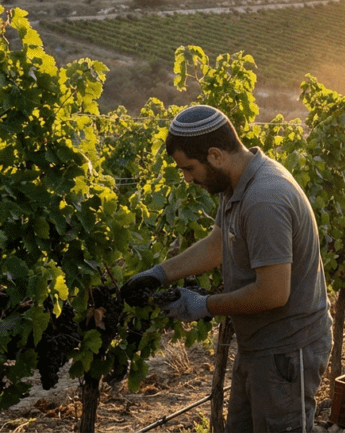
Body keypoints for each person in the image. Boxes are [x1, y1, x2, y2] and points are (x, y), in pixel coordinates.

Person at [122, 105, 332, 432]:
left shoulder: (265, 198)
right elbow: (216, 244)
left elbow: (274, 292)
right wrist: (159, 273)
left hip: (288, 348)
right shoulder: (236, 184)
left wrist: (203, 306)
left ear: (216, 155)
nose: (187, 179)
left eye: (189, 168)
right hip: (258, 343)